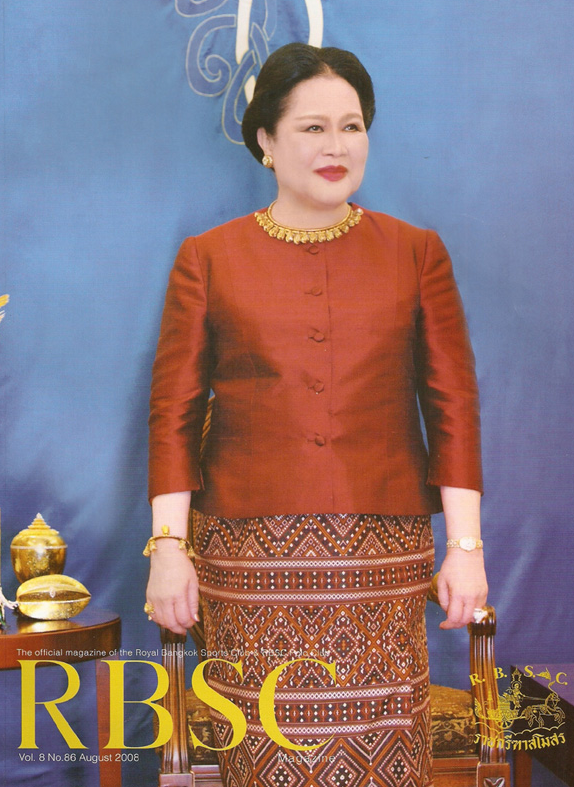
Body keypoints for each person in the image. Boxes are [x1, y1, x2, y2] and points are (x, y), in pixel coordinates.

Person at [145, 43, 487, 787]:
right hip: (247, 556)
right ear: (265, 141)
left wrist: (466, 547)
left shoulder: (416, 252)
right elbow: (174, 413)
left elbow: (452, 405)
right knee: (264, 751)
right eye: (312, 128)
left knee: (383, 755)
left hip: (380, 552)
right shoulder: (208, 257)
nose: (336, 146)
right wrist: (167, 548)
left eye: (351, 126)